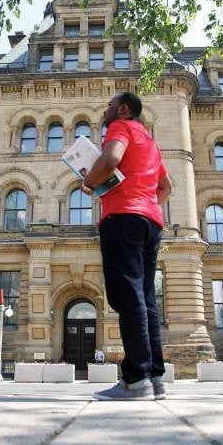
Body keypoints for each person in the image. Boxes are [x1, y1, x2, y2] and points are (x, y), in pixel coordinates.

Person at [82, 92, 173, 401]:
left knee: (128, 297)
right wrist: (146, 204)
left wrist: (90, 182)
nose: (105, 110)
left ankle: (136, 380)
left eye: (109, 105)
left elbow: (110, 160)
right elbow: (167, 187)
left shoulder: (120, 127)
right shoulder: (150, 142)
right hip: (151, 222)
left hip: (123, 219)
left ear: (123, 109)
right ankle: (155, 377)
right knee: (146, 299)